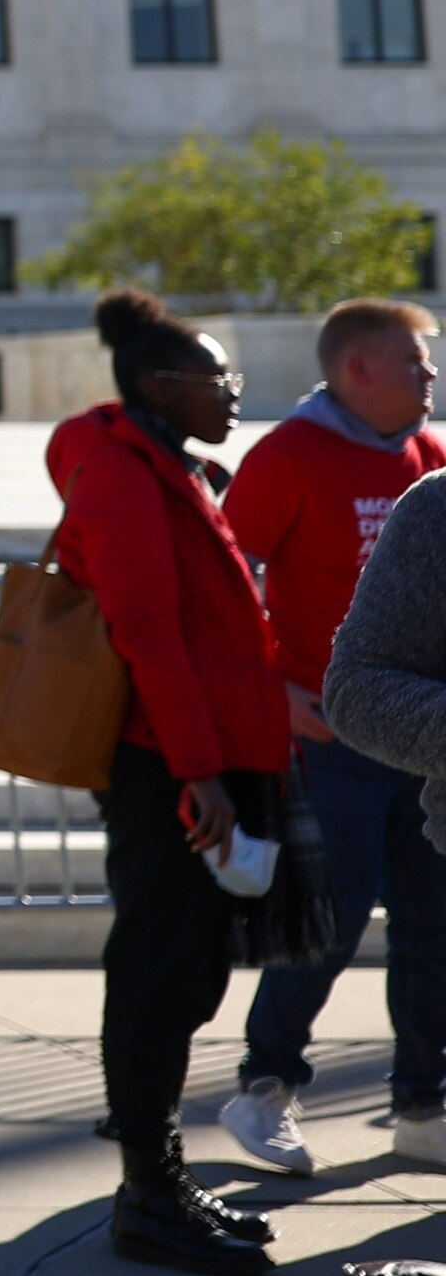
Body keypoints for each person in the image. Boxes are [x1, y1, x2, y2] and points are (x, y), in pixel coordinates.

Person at [50, 287, 295, 1276]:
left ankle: (160, 1183)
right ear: (160, 383)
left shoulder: (170, 465)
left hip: (207, 754)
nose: (234, 390)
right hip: (167, 764)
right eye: (217, 375)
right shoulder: (119, 473)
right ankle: (148, 1192)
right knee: (158, 972)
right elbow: (145, 627)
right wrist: (201, 772)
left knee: (188, 971)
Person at [219, 298, 446, 1173]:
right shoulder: (288, 457)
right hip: (332, 731)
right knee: (332, 915)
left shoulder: (427, 460)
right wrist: (271, 689)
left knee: (433, 922)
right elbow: (225, 581)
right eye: (414, 363)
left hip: (424, 740)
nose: (430, 377)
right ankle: (266, 1087)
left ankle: (423, 1102)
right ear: (358, 370)